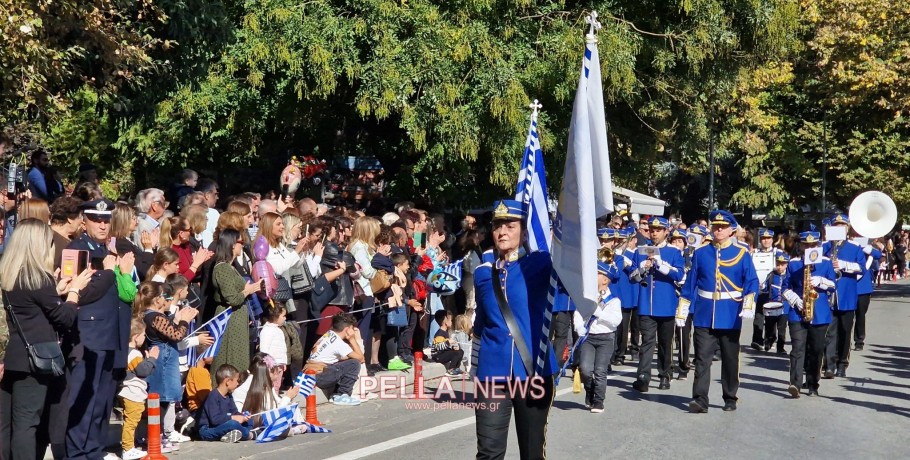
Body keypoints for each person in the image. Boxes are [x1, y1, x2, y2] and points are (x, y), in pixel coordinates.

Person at [0, 219, 92, 460]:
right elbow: (64, 318)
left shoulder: (8, 273)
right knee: (27, 423)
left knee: (6, 424)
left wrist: (57, 290)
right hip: (34, 361)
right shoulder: (39, 277)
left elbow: (31, 306)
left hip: (11, 356)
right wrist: (73, 293)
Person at [472, 199, 557, 460]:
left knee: (532, 452)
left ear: (524, 230)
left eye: (510, 225)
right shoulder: (482, 273)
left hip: (533, 370)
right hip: (492, 374)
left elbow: (573, 264)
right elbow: (481, 325)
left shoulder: (542, 263)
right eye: (497, 226)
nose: (502, 232)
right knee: (488, 452)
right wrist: (475, 367)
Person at [65, 198, 133, 459]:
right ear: (85, 221)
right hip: (89, 336)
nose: (103, 225)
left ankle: (94, 450)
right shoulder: (77, 250)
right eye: (97, 220)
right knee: (85, 400)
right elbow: (75, 293)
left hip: (110, 335)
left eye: (106, 220)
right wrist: (106, 272)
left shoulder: (108, 251)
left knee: (102, 402)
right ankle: (78, 454)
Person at [677, 210, 759, 413]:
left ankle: (730, 396)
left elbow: (751, 281)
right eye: (715, 226)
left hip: (730, 313)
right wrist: (683, 308)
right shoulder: (701, 253)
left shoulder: (741, 253)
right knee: (702, 359)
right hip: (705, 313)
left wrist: (748, 303)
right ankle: (700, 399)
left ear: (731, 230)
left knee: (730, 359)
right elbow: (691, 283)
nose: (718, 230)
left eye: (723, 227)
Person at [629, 216, 684, 392]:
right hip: (646, 304)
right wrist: (642, 268)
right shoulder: (640, 251)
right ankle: (643, 376)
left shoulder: (674, 252)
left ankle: (664, 374)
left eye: (658, 230)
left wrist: (661, 266)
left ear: (666, 232)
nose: (654, 233)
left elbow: (680, 276)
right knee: (647, 342)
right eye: (652, 230)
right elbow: (633, 278)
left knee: (665, 343)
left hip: (666, 304)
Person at [783, 231, 836, 398]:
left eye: (813, 245)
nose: (810, 248)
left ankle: (813, 383)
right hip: (797, 313)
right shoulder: (793, 264)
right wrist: (796, 300)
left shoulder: (826, 263)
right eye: (806, 245)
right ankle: (795, 384)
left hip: (819, 312)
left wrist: (821, 281)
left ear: (818, 246)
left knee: (816, 349)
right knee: (797, 349)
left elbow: (834, 285)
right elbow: (785, 288)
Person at [210, 230, 262, 381]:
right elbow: (232, 298)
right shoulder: (222, 268)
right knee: (230, 356)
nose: (243, 245)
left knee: (238, 356)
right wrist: (248, 291)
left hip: (237, 317)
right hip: (229, 318)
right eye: (240, 242)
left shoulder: (230, 267)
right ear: (232, 245)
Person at [573, 261, 622, 413]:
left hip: (606, 338)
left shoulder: (614, 300)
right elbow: (578, 313)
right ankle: (590, 390)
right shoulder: (588, 297)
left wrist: (598, 312)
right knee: (585, 369)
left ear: (605, 280)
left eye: (598, 274)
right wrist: (579, 327)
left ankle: (599, 401)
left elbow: (616, 321)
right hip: (589, 337)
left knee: (600, 370)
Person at [823, 214, 866, 378]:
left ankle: (842, 363)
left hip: (846, 296)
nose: (839, 228)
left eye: (842, 225)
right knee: (829, 331)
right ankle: (829, 364)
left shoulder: (854, 248)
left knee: (845, 331)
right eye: (836, 225)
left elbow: (862, 268)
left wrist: (844, 265)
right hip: (828, 296)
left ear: (847, 228)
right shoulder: (825, 247)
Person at [118, 318, 159, 460]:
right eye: (143, 335)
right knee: (131, 421)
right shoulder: (134, 353)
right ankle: (128, 449)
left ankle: (129, 445)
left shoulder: (124, 352)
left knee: (129, 420)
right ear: (135, 337)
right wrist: (152, 359)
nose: (144, 338)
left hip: (127, 392)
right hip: (133, 393)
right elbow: (142, 371)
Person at [305, 313, 365, 406]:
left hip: (311, 372)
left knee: (346, 363)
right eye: (352, 328)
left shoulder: (328, 334)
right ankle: (343, 395)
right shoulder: (338, 343)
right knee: (354, 363)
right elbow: (361, 358)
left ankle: (336, 394)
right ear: (347, 329)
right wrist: (353, 339)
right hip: (319, 376)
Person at [198, 364, 253, 442]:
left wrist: (243, 416)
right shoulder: (212, 396)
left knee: (250, 421)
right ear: (228, 381)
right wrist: (233, 418)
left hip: (223, 425)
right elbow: (215, 420)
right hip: (208, 429)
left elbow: (234, 412)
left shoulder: (229, 396)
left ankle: (232, 435)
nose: (238, 384)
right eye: (237, 381)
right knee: (233, 424)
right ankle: (249, 435)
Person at [750, 228, 784, 350]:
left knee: (771, 316)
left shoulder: (777, 253)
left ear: (772, 239)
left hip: (772, 290)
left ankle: (769, 340)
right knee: (758, 316)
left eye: (768, 238)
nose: (766, 241)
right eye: (763, 238)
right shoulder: (753, 253)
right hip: (758, 289)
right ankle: (757, 340)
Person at [111, 203, 155, 280]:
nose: (137, 221)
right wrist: (148, 249)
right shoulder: (122, 244)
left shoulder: (127, 241)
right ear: (124, 221)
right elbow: (143, 271)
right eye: (133, 218)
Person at [853, 235, 882, 351]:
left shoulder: (867, 247)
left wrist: (867, 248)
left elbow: (878, 255)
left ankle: (859, 340)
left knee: (860, 314)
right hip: (848, 285)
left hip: (863, 286)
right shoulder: (847, 245)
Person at [760, 253, 791, 353]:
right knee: (769, 326)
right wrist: (762, 287)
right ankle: (768, 341)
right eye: (778, 264)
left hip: (784, 307)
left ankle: (780, 347)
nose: (780, 267)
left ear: (787, 264)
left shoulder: (789, 276)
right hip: (772, 305)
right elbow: (765, 287)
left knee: (782, 328)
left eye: (782, 264)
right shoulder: (771, 275)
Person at [48, 197, 84, 268]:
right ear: (70, 219)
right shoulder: (65, 246)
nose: (82, 222)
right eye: (80, 217)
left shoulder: (41, 233)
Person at [258, 306, 289, 385]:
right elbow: (264, 350)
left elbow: (282, 349)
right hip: (272, 367)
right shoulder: (267, 331)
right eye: (283, 316)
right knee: (271, 386)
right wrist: (268, 365)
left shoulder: (278, 330)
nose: (285, 318)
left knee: (277, 385)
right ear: (275, 316)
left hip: (279, 364)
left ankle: (275, 396)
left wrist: (283, 362)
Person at [430, 311, 464, 376]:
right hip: (437, 356)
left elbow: (446, 347)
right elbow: (438, 347)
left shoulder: (445, 332)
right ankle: (451, 369)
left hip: (443, 353)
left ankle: (456, 368)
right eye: (450, 320)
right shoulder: (439, 334)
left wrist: (452, 347)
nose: (451, 322)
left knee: (460, 351)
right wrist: (448, 342)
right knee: (455, 353)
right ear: (445, 322)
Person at [196, 178, 221, 248]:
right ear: (207, 195)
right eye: (216, 194)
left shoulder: (188, 212)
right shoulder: (213, 213)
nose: (217, 197)